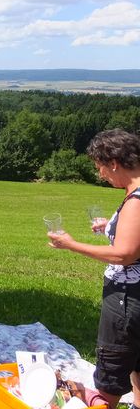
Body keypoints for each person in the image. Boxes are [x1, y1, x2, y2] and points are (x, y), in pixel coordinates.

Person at [48, 129, 140, 409]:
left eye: (99, 166)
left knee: (111, 372)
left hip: (127, 300)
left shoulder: (136, 200)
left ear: (114, 162)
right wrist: (110, 227)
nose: (100, 174)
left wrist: (71, 245)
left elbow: (124, 254)